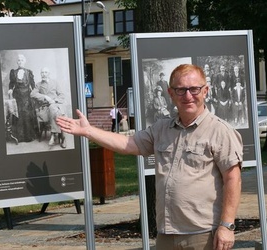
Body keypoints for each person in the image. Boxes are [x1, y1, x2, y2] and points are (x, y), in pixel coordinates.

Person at [56, 64, 243, 250]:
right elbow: (128, 144)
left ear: (205, 91)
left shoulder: (220, 131)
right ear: (171, 93)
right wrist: (88, 131)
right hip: (166, 235)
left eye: (194, 89)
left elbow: (233, 179)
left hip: (203, 235)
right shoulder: (161, 129)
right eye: (180, 90)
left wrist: (227, 226)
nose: (188, 96)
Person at [30, 67, 66, 148]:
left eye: (46, 72)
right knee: (57, 112)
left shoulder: (55, 83)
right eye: (42, 72)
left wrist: (54, 100)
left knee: (53, 108)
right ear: (40, 74)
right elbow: (32, 94)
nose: (44, 74)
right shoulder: (38, 85)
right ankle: (62, 136)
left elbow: (62, 95)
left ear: (49, 74)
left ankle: (54, 135)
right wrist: (45, 97)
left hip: (55, 105)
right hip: (45, 108)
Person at [8, 54, 38, 142]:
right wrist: (10, 89)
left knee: (27, 114)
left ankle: (28, 136)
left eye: (22, 60)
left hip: (27, 96)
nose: (20, 61)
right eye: (19, 60)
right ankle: (19, 137)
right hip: (17, 95)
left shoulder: (29, 72)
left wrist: (34, 93)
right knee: (18, 114)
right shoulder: (13, 72)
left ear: (25, 61)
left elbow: (32, 84)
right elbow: (11, 83)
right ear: (17, 62)